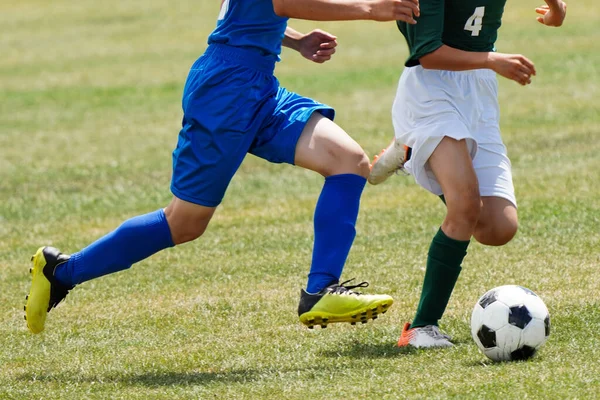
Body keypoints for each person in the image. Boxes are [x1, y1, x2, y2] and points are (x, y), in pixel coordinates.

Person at [24, 0, 421, 334]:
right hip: (226, 90)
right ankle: (61, 271)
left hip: (258, 85)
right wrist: (372, 8)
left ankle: (320, 290)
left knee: (347, 162)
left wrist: (294, 40)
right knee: (185, 223)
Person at [368, 0, 567, 348]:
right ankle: (420, 327)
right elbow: (427, 53)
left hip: (478, 91)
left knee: (498, 227)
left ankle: (412, 152)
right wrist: (493, 59)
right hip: (431, 91)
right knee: (464, 207)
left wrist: (556, 8)